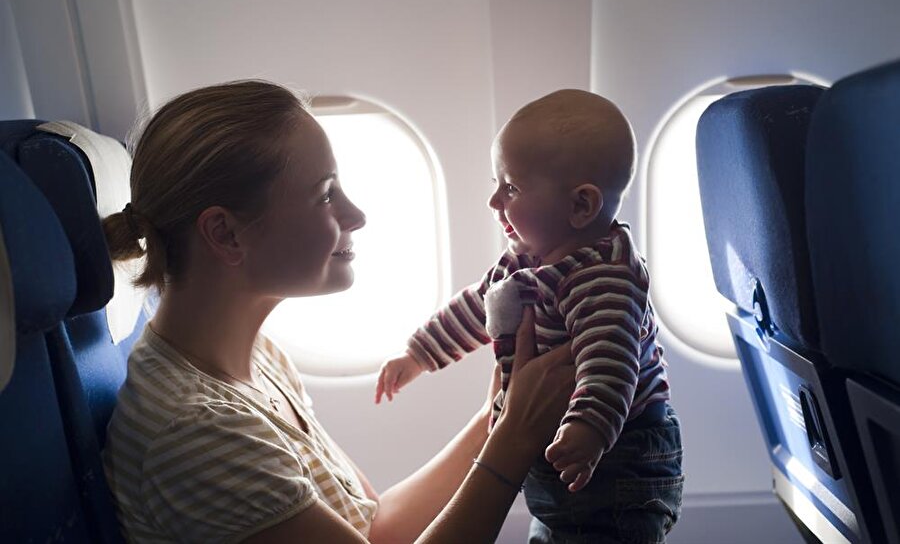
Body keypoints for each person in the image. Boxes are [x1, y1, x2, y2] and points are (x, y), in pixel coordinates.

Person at [100, 79, 576, 544]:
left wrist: (496, 417)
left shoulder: (259, 359)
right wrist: (515, 438)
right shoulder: (194, 435)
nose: (356, 215)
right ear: (226, 234)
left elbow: (375, 527)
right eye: (326, 194)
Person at [376, 89, 684, 542]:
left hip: (618, 455)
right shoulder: (527, 257)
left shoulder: (604, 277)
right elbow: (477, 305)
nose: (494, 200)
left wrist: (588, 429)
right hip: (565, 446)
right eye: (497, 183)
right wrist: (419, 354)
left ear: (581, 205)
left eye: (512, 188)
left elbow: (611, 363)